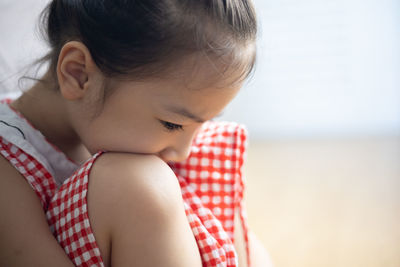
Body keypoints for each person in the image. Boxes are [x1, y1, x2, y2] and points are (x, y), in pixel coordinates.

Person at [0, 0, 272, 266]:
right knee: (139, 183)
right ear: (79, 74)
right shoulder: (8, 165)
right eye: (173, 124)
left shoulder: (141, 137)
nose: (184, 150)